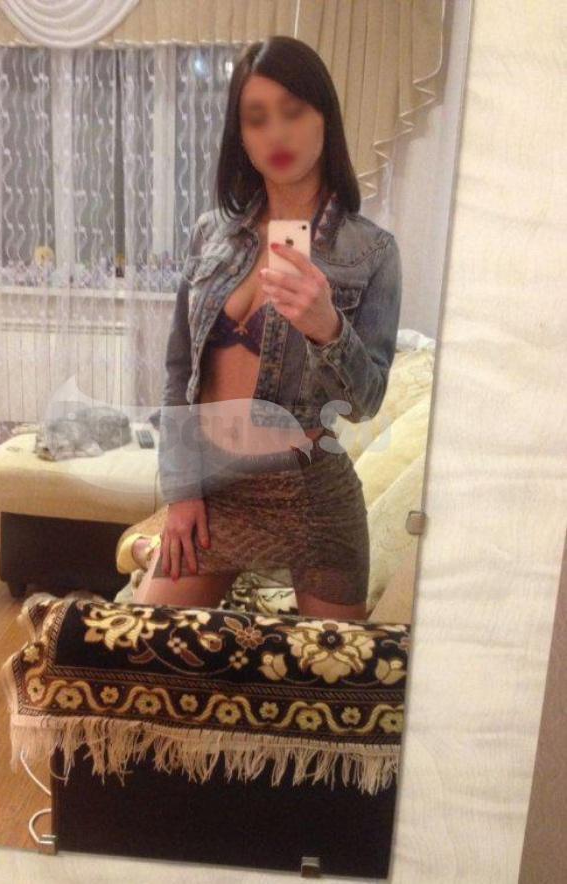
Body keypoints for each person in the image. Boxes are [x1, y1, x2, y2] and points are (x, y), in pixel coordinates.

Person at [134, 36, 402, 620]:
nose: (276, 133)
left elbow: (368, 402)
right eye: (256, 118)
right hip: (215, 491)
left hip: (312, 499)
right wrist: (181, 491)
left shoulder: (370, 252)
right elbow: (179, 371)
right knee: (145, 647)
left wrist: (328, 327)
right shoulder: (212, 234)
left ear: (324, 118)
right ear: (242, 136)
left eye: (292, 111)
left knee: (327, 672)